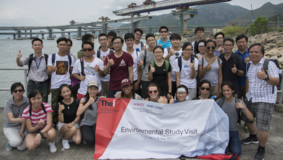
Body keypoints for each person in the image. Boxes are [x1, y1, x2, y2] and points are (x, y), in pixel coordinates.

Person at [242, 43, 279, 160]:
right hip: (251, 97)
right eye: (251, 52)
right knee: (247, 118)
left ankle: (261, 148)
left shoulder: (269, 64)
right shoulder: (249, 65)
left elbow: (277, 81)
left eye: (256, 52)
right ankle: (253, 136)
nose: (253, 54)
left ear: (262, 53)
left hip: (265, 98)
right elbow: (248, 80)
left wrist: (266, 77)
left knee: (262, 126)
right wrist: (247, 95)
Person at [216, 81, 254, 155]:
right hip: (222, 132)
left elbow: (251, 118)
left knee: (237, 153)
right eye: (224, 90)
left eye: (228, 90)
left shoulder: (238, 101)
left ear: (233, 90)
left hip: (233, 131)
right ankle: (228, 144)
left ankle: (230, 143)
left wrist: (244, 108)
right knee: (223, 153)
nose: (226, 92)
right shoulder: (219, 102)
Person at [47, 37, 74, 126]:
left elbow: (71, 72)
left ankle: (66, 121)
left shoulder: (70, 58)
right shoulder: (52, 57)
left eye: (64, 45)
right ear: (57, 46)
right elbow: (48, 71)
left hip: (67, 84)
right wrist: (52, 69)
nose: (62, 46)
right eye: (61, 45)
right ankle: (54, 124)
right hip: (55, 85)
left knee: (67, 104)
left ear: (67, 46)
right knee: (54, 106)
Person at [16, 38, 49, 103]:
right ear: (32, 47)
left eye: (39, 45)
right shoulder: (29, 57)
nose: (37, 46)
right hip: (32, 84)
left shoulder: (47, 57)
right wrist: (17, 59)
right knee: (31, 103)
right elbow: (20, 64)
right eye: (35, 45)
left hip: (44, 84)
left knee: (44, 103)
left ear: (42, 46)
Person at [4, 83, 29, 151]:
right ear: (12, 92)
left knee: (21, 148)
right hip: (11, 126)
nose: (18, 92)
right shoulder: (8, 103)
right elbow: (11, 119)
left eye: (20, 90)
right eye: (15, 91)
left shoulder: (27, 101)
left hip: (23, 126)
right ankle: (10, 143)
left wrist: (22, 131)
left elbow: (26, 118)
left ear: (23, 91)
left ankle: (20, 137)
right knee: (16, 142)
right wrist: (19, 119)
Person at [57, 84, 81, 149]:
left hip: (74, 123)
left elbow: (78, 116)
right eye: (63, 92)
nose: (66, 93)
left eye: (67, 91)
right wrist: (60, 111)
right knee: (72, 129)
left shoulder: (76, 101)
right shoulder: (60, 104)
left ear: (70, 91)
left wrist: (72, 123)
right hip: (63, 124)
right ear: (61, 94)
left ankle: (69, 134)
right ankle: (65, 139)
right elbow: (61, 120)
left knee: (77, 141)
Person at [164, 33, 182, 97]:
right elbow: (163, 61)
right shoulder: (167, 49)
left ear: (180, 40)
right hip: (170, 79)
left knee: (179, 98)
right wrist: (169, 54)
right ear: (170, 41)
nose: (175, 41)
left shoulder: (183, 51)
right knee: (169, 97)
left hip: (181, 79)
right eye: (173, 40)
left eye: (177, 39)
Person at [138, 33, 156, 99]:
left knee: (155, 97)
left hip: (156, 78)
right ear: (147, 42)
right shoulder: (143, 52)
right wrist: (140, 65)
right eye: (149, 40)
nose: (151, 41)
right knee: (145, 97)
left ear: (155, 40)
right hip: (145, 78)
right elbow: (139, 68)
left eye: (152, 40)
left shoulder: (159, 52)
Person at [234, 34, 249, 100]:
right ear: (236, 43)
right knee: (237, 104)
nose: (241, 44)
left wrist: (250, 61)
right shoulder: (234, 55)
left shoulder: (252, 53)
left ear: (246, 42)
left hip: (249, 83)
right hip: (237, 83)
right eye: (239, 42)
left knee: (248, 103)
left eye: (243, 42)